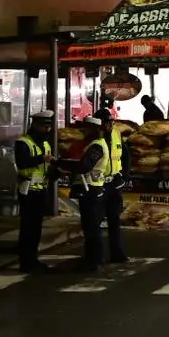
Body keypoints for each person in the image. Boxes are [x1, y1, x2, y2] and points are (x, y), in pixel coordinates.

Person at [12, 110, 56, 273]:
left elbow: (47, 167)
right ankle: (26, 262)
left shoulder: (45, 144)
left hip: (40, 190)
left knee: (36, 229)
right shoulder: (23, 142)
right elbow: (23, 163)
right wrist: (41, 159)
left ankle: (33, 260)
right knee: (28, 229)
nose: (47, 131)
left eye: (49, 127)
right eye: (44, 127)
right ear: (35, 126)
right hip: (28, 191)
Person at [71, 116, 113, 272]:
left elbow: (85, 165)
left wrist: (66, 166)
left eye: (85, 129)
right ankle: (95, 259)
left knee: (91, 227)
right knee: (91, 226)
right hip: (92, 188)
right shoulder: (96, 144)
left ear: (93, 130)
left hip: (90, 189)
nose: (82, 131)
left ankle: (93, 261)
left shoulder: (96, 146)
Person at [95, 108, 131, 264]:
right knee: (95, 222)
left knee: (114, 220)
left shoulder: (116, 135)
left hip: (113, 184)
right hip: (97, 184)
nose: (109, 125)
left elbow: (125, 155)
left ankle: (117, 253)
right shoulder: (93, 137)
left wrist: (124, 175)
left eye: (110, 122)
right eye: (106, 122)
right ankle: (97, 256)